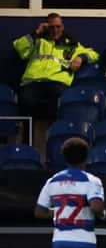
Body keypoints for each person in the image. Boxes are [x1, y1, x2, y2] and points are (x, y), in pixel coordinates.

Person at [13, 13, 99, 155]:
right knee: (25, 101)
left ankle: (53, 145)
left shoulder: (70, 43)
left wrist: (80, 57)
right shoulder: (38, 41)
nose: (55, 30)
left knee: (59, 104)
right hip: (33, 81)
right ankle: (26, 146)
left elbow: (93, 54)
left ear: (62, 27)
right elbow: (19, 48)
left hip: (57, 82)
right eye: (52, 27)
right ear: (46, 26)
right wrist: (36, 33)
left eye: (58, 27)